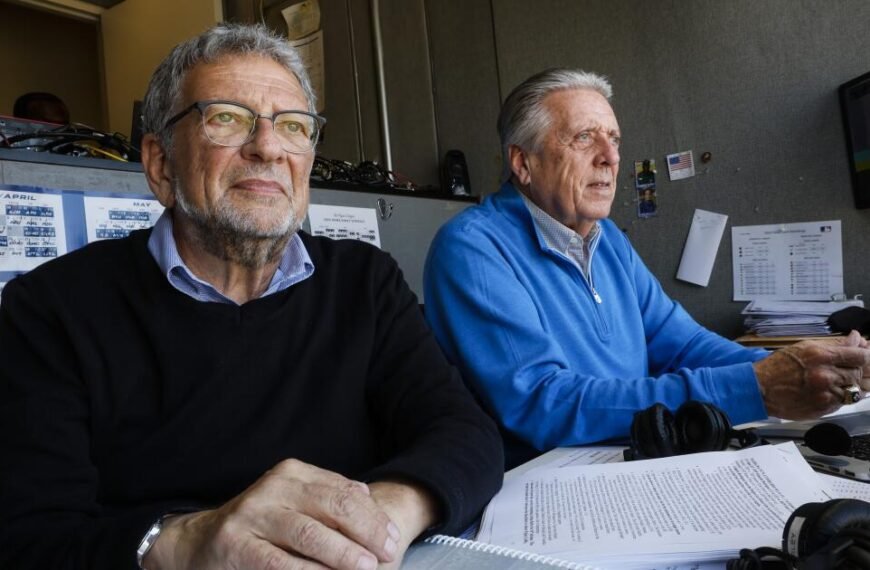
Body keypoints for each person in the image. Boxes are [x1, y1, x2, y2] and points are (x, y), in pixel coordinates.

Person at [0, 24, 503, 570]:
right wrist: (184, 542)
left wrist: (384, 516)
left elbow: (464, 432)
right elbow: (30, 535)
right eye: (226, 118)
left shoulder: (365, 282)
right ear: (161, 165)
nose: (267, 147)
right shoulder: (50, 309)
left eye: (293, 126)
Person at [423, 67, 870, 468]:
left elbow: (681, 344)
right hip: (544, 485)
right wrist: (757, 387)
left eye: (613, 139)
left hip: (630, 458)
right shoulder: (472, 248)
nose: (610, 157)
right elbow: (546, 404)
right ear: (523, 162)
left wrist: (802, 367)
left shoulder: (608, 238)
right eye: (584, 138)